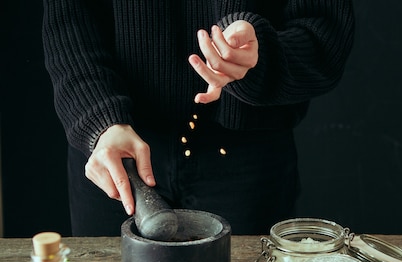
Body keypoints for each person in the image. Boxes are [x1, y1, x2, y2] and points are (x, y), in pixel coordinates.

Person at [42, 1, 355, 236]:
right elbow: (68, 24)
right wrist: (101, 118)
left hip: (250, 156)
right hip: (117, 150)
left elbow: (324, 33)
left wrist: (261, 57)